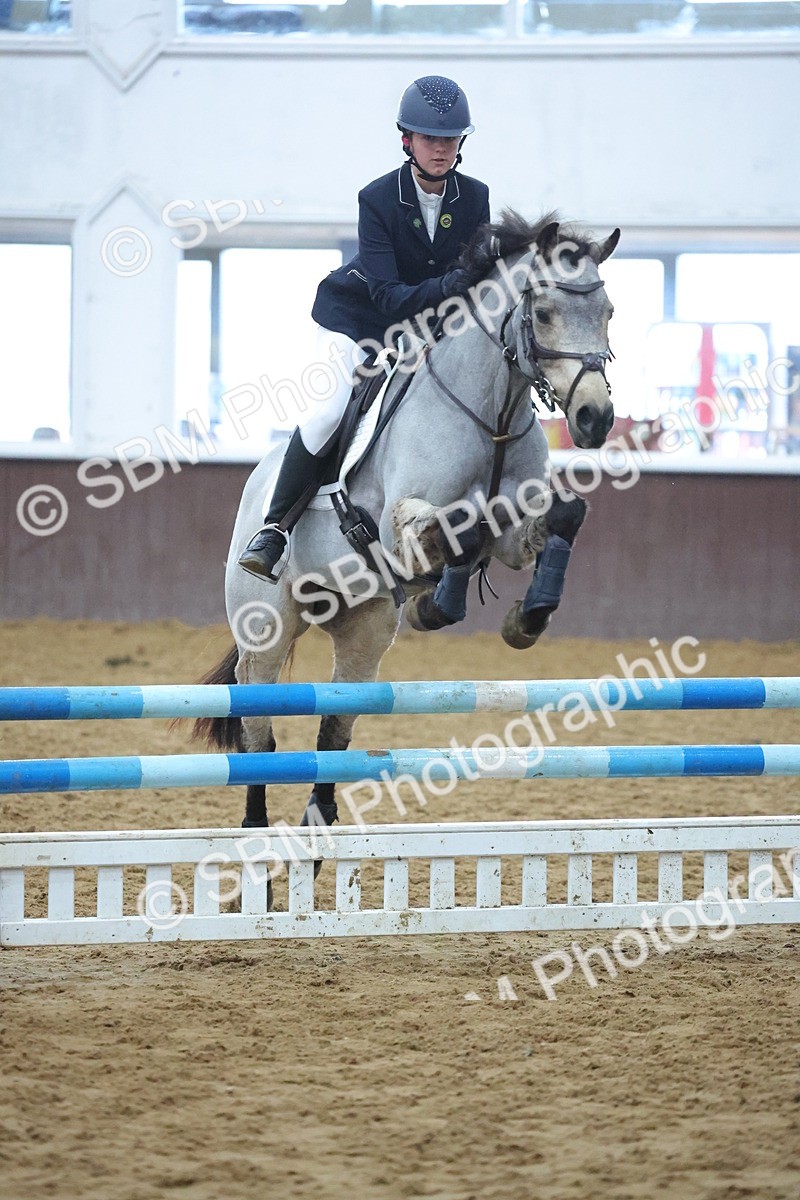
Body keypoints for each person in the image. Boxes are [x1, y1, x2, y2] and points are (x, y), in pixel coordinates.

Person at [239, 75, 491, 581]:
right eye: (429, 139)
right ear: (407, 141)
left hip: (428, 327)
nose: (440, 149)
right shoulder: (377, 199)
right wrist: (452, 285)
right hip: (359, 321)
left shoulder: (475, 198)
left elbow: (476, 288)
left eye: (449, 139)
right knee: (329, 412)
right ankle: (274, 531)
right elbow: (388, 295)